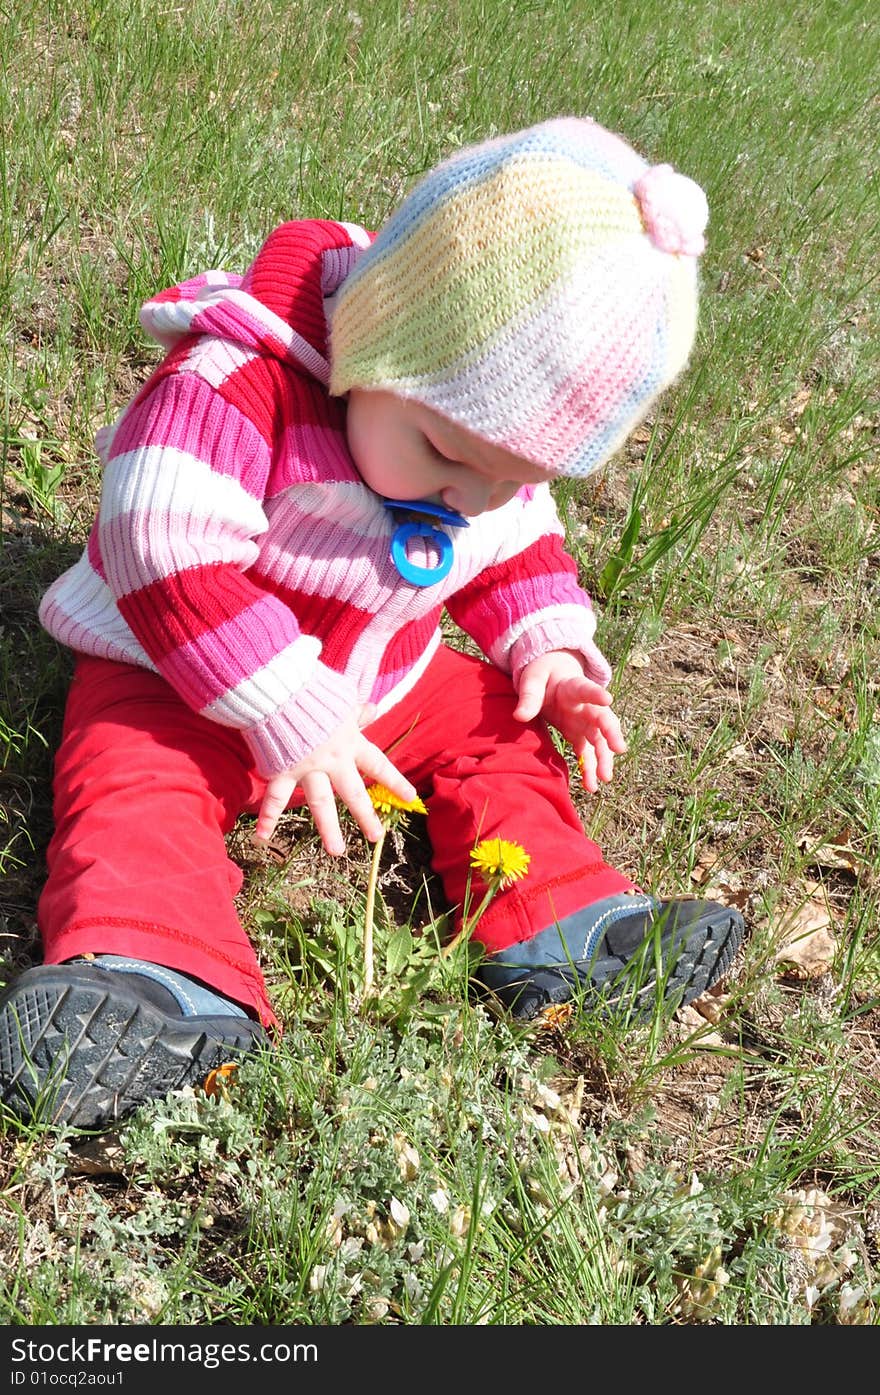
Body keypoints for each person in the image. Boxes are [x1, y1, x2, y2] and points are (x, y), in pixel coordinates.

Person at [0, 117, 744, 1129]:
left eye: (514, 475)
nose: (470, 496)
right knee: (135, 781)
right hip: (176, 673)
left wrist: (550, 646)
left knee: (495, 722)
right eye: (443, 454)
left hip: (376, 677)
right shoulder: (233, 382)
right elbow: (159, 544)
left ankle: (565, 926)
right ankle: (156, 974)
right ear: (375, 341)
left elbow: (517, 545)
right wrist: (284, 701)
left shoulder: (480, 463)